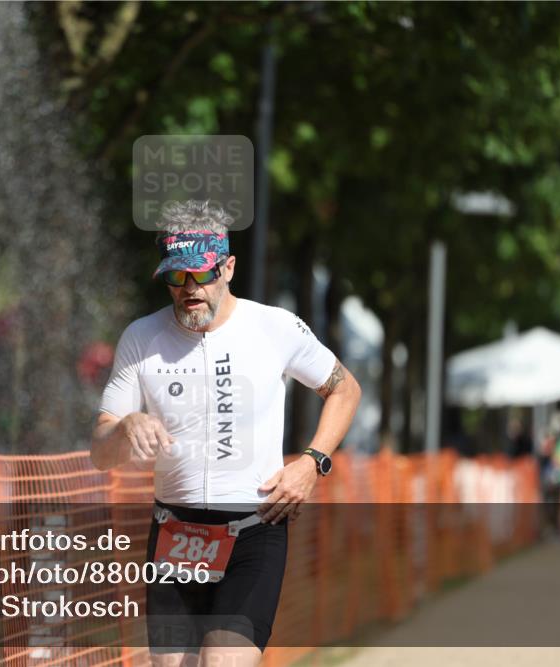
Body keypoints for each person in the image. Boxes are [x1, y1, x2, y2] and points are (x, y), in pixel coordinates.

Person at [91, 201, 361, 666]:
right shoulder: (142, 337)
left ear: (229, 267)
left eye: (201, 274)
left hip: (254, 533)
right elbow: (101, 449)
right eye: (177, 278)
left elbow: (345, 389)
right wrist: (126, 428)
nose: (189, 290)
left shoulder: (274, 327)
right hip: (174, 536)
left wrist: (312, 462)